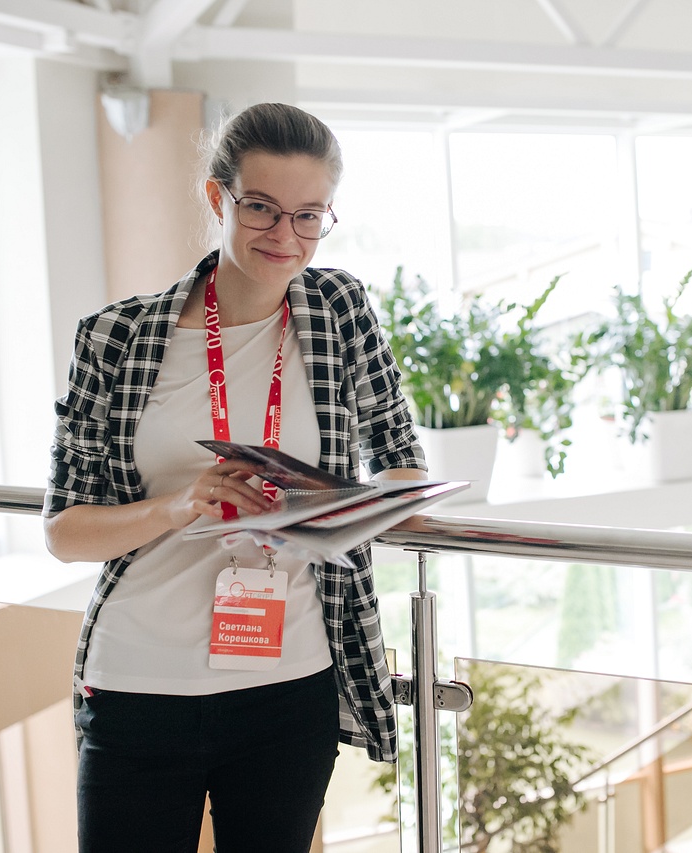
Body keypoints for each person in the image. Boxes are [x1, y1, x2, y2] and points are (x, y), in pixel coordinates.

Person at [42, 102, 427, 853]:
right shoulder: (117, 337)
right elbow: (65, 532)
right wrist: (181, 504)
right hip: (140, 684)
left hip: (290, 683)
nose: (286, 235)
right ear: (218, 199)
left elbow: (399, 454)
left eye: (309, 216)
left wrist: (335, 508)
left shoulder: (340, 309)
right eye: (261, 208)